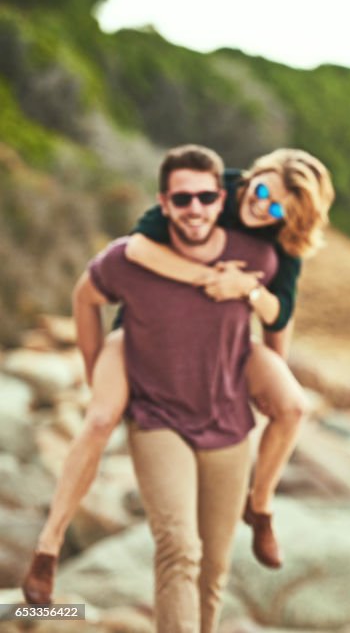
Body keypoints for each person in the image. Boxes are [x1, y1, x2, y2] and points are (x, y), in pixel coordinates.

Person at [22, 147, 333, 604]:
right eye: (262, 189)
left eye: (278, 206)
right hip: (147, 335)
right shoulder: (207, 190)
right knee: (100, 419)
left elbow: (279, 313)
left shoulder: (280, 243)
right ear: (251, 175)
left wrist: (248, 297)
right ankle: (47, 549)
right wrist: (207, 277)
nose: (262, 205)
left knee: (292, 404)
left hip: (222, 341)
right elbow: (138, 248)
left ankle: (260, 506)